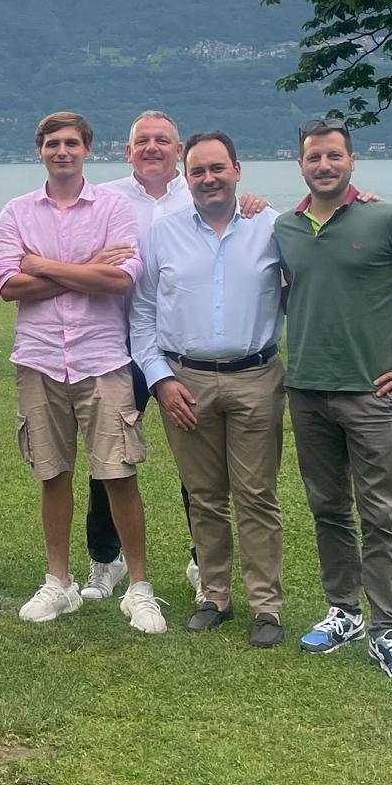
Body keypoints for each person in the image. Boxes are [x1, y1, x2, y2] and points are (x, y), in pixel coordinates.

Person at [276, 118, 392, 684]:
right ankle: (344, 612)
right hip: (307, 391)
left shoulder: (388, 218)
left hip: (372, 394)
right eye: (314, 157)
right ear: (301, 164)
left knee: (380, 514)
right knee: (328, 509)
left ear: (351, 161)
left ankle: (387, 626)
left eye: (334, 155)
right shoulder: (285, 226)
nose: (324, 165)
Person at [0, 111, 166, 634]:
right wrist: (90, 267)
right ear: (40, 150)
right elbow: (8, 285)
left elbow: (120, 279)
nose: (62, 151)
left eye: (71, 142)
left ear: (87, 148)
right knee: (52, 475)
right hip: (39, 359)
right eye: (52, 143)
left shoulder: (113, 207)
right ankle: (59, 582)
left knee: (118, 474)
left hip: (103, 359)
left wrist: (42, 265)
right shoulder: (16, 211)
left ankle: (139, 589)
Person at [90, 112, 266, 604]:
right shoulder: (103, 199)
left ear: (179, 151)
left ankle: (201, 561)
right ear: (127, 151)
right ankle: (105, 558)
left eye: (162, 140)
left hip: (180, 349)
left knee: (200, 466)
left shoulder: (200, 193)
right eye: (142, 140)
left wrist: (256, 202)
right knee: (110, 459)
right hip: (113, 344)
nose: (152, 147)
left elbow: (247, 226)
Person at [129, 131, 287, 647]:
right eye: (198, 171)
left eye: (218, 168)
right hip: (186, 380)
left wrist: (360, 198)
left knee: (257, 496)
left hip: (256, 376)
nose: (208, 178)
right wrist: (160, 380)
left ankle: (266, 605)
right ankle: (214, 597)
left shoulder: (271, 225)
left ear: (237, 170)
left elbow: (320, 240)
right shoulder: (163, 234)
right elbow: (143, 314)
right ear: (186, 177)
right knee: (205, 496)